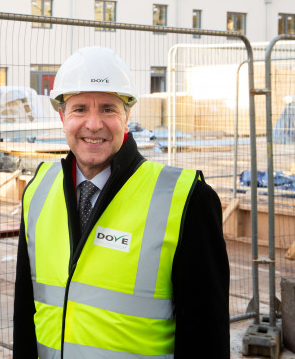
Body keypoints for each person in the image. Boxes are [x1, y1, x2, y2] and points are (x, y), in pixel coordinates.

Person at [13, 46, 229, 358]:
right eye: (80, 109)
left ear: (127, 117)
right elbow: (26, 314)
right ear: (62, 117)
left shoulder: (186, 201)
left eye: (108, 109)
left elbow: (207, 338)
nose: (93, 124)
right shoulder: (38, 190)